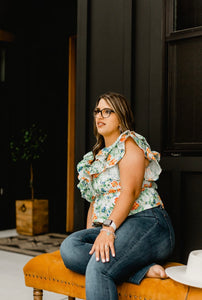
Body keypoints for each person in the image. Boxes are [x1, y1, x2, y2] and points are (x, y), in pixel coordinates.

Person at [60, 92, 175, 300]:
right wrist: (94, 235)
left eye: (107, 111)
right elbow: (95, 202)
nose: (99, 116)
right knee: (69, 248)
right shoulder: (94, 158)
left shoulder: (130, 144)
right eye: (97, 111)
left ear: (120, 117)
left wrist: (108, 229)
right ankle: (140, 271)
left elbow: (129, 192)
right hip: (112, 228)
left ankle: (120, 266)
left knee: (98, 267)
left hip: (147, 223)